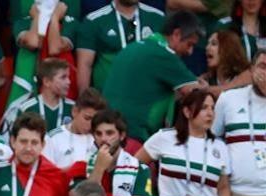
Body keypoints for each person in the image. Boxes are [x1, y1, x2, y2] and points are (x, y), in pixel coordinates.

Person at [137, 90, 231, 196]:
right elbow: (136, 165)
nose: (210, 113)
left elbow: (223, 187)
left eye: (212, 108)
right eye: (204, 108)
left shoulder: (220, 147)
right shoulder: (164, 138)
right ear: (187, 111)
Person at [102, 11, 203, 143]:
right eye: (190, 44)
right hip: (134, 136)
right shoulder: (163, 54)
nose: (190, 52)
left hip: (108, 130)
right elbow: (195, 92)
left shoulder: (132, 48)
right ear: (176, 34)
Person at [213, 49, 266, 196]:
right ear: (252, 69)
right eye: (262, 65)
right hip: (244, 192)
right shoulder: (229, 99)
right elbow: (211, 141)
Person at [76, 0, 165, 92]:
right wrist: (84, 100)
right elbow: (85, 64)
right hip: (108, 99)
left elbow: (168, 60)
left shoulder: (158, 18)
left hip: (149, 97)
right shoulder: (93, 20)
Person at [84, 109, 152, 196]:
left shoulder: (140, 169)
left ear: (122, 135)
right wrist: (98, 169)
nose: (104, 139)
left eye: (109, 133)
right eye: (98, 133)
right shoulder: (82, 164)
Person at [3, 58, 73, 134]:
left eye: (68, 77)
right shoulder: (27, 108)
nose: (68, 82)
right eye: (63, 77)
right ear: (46, 82)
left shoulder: (72, 107)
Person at [45, 87, 105, 173]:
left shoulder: (99, 139)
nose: (90, 125)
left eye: (95, 120)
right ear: (75, 111)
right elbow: (46, 174)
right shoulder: (52, 138)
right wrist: (76, 169)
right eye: (87, 118)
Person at [200, 29, 252, 94]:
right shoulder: (206, 80)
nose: (207, 48)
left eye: (214, 44)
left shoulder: (245, 77)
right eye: (208, 44)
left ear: (228, 49)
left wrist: (210, 90)